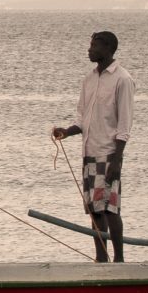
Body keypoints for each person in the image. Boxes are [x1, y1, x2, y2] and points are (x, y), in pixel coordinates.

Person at [51, 30, 135, 262]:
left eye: (94, 45)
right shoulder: (89, 80)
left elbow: (124, 124)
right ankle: (101, 259)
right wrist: (66, 132)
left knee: (110, 207)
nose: (90, 49)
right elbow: (82, 118)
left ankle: (119, 260)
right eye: (90, 45)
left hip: (109, 153)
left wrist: (117, 161)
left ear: (108, 49)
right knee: (95, 210)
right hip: (89, 153)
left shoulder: (123, 79)